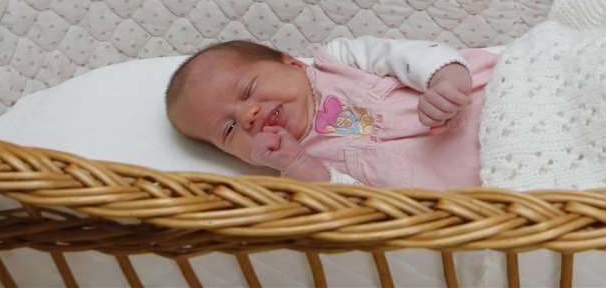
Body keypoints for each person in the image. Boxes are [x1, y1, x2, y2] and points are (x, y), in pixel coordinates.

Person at [166, 37, 494, 188]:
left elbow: (401, 54)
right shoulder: (303, 172)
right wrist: (296, 164)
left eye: (248, 90)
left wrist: (444, 77)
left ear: (291, 62)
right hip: (484, 177)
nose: (248, 115)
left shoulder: (335, 60)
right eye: (228, 130)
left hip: (487, 98)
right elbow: (353, 201)